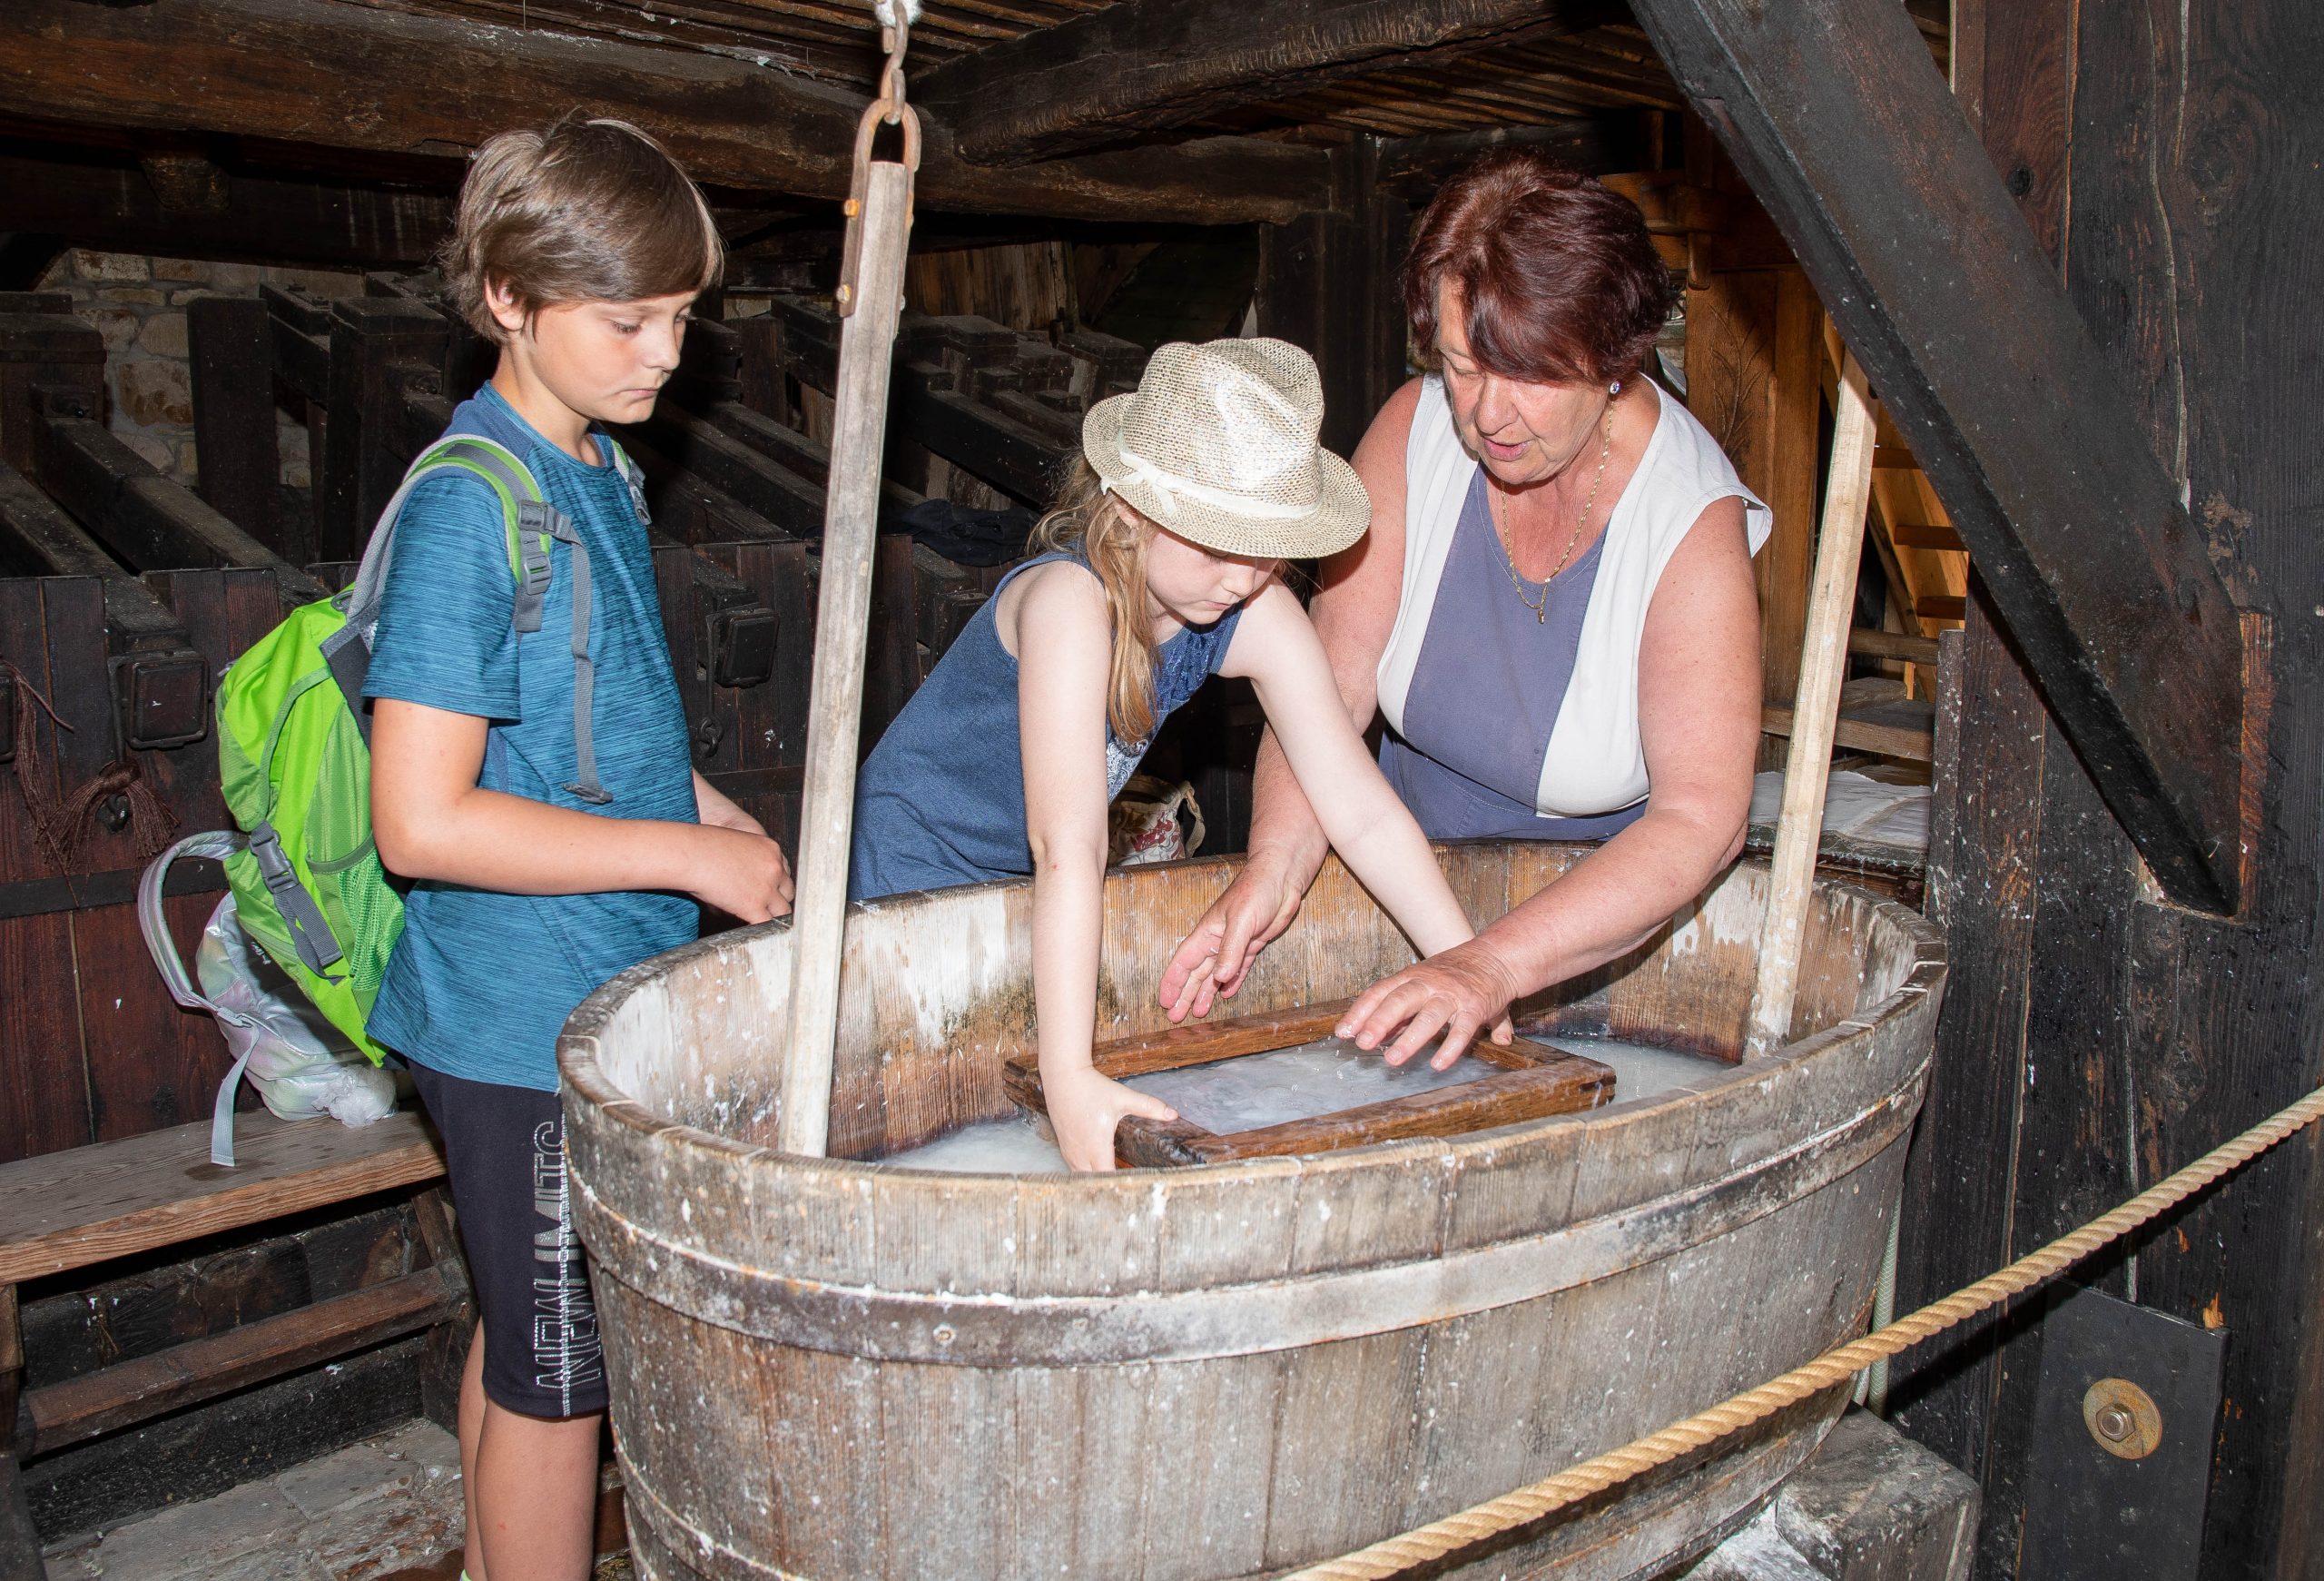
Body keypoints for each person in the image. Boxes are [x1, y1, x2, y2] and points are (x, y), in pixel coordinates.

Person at [364, 115, 794, 1581]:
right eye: (628, 320)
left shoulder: (594, 466)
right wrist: (682, 858)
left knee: (522, 1330)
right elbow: (421, 821)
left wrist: (704, 810)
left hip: (584, 989)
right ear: (507, 298)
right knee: (564, 1377)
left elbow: (582, 718)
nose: (665, 352)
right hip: (513, 1016)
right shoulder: (466, 506)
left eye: (681, 316)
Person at [1162, 150, 1769, 1058]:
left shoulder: (1688, 520)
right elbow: (1326, 691)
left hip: (1592, 951)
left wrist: (1487, 965)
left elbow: (1701, 822)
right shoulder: (1415, 435)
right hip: (1397, 892)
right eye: (1461, 367)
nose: (1487, 415)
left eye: (1530, 375)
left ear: (1612, 358)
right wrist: (1275, 866)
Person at [850, 338, 1496, 1171]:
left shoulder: (1249, 606)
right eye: (1219, 546)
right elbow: (1068, 847)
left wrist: (1467, 968)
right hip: (911, 861)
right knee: (932, 1111)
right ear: (1131, 510)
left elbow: (1361, 809)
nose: (1244, 579)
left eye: (1267, 547)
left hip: (1018, 874)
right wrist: (1069, 1077)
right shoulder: (1070, 604)